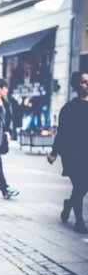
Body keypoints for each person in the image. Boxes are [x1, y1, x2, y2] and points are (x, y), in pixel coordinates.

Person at [47, 72, 88, 234]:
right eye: (84, 82)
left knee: (82, 187)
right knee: (80, 185)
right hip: (73, 154)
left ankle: (69, 204)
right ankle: (79, 221)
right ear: (76, 85)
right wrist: (54, 153)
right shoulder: (69, 109)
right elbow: (62, 133)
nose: (87, 85)